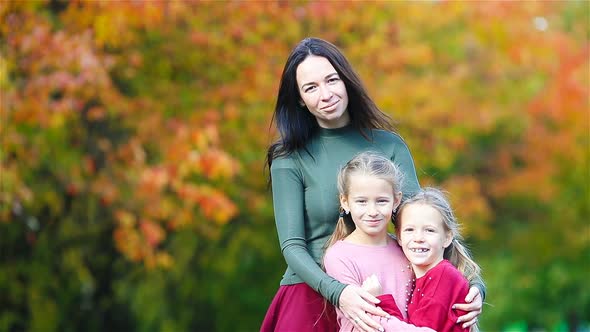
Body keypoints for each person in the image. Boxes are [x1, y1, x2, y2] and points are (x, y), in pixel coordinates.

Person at [261, 37, 484, 332]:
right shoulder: (290, 157)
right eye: (311, 88)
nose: (326, 94)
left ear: (346, 80)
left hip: (385, 294)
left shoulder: (388, 145)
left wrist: (473, 284)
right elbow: (291, 245)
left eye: (331, 80)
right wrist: (339, 293)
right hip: (311, 296)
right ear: (300, 98)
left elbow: (424, 224)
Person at [323, 151, 436, 331]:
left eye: (381, 201)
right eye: (361, 201)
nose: (372, 211)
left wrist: (475, 288)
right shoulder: (339, 256)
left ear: (396, 200)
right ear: (345, 202)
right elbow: (365, 322)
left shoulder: (406, 247)